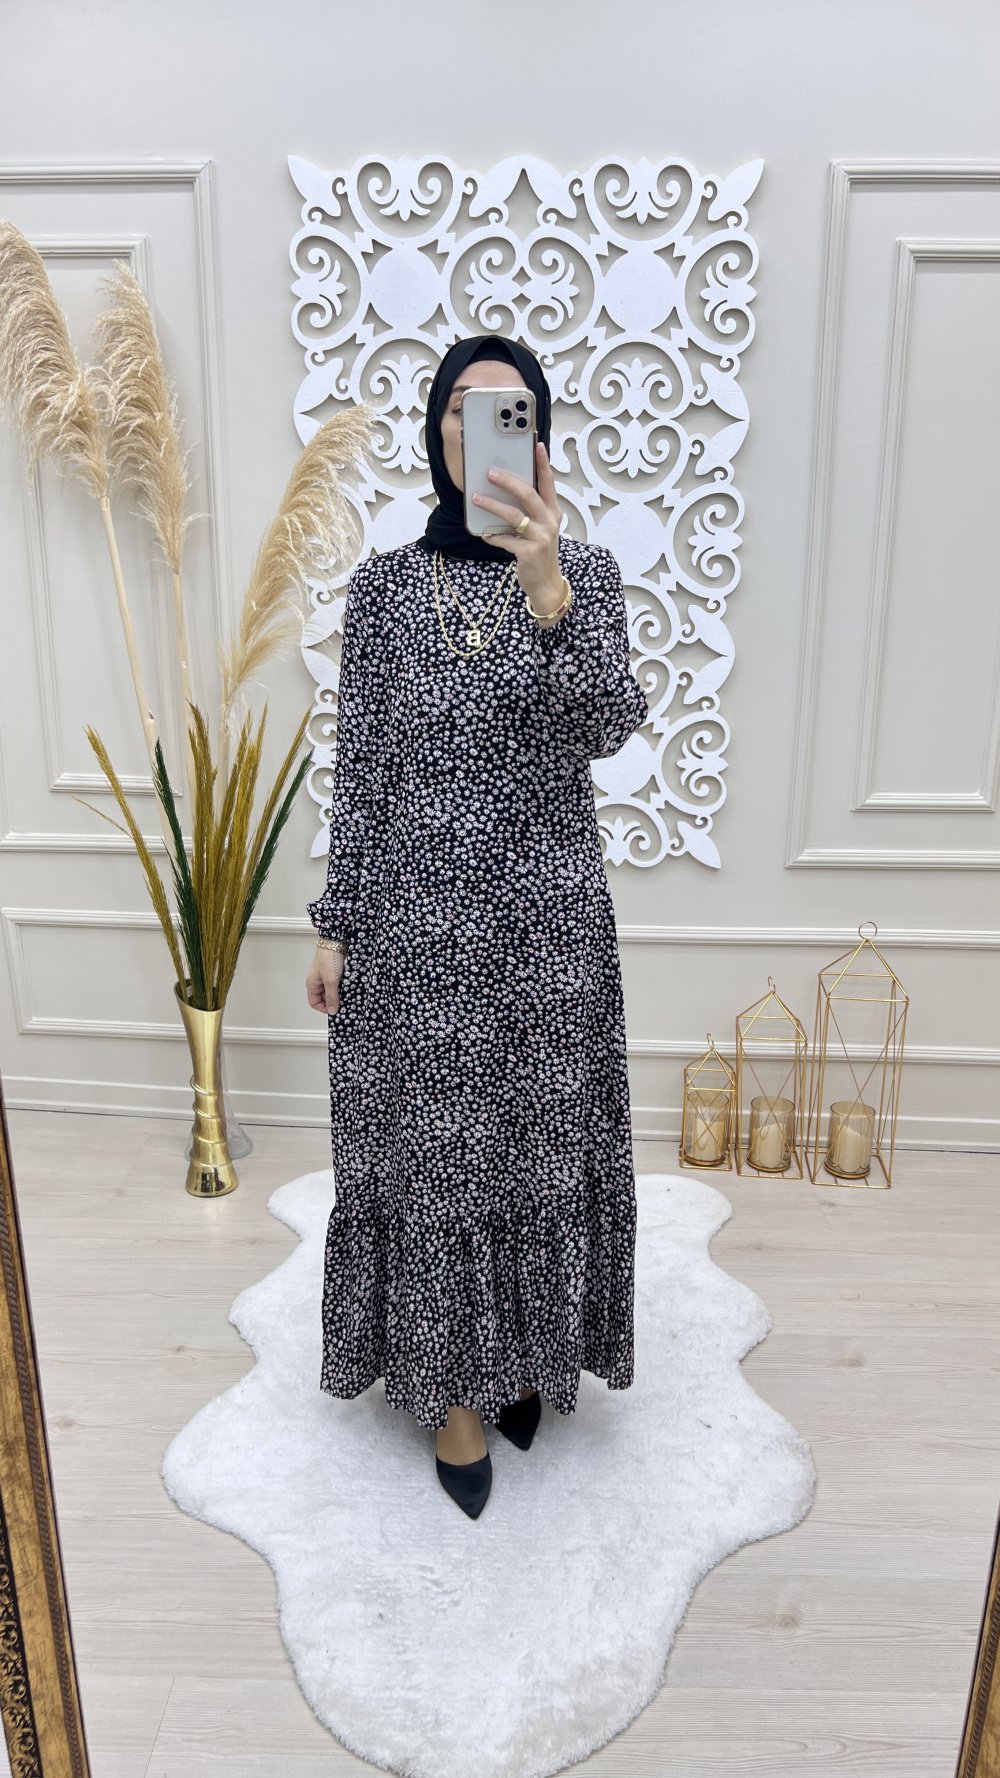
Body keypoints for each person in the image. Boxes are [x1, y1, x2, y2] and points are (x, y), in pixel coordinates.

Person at [305, 333, 649, 1520]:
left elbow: (606, 724)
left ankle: (527, 1357)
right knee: (436, 1159)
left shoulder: (584, 575)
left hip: (548, 930)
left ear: (538, 439)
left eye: (510, 410)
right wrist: (337, 922)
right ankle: (451, 1391)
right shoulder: (386, 591)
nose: (481, 426)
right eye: (462, 406)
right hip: (417, 935)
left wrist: (549, 589)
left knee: (537, 1147)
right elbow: (364, 769)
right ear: (437, 433)